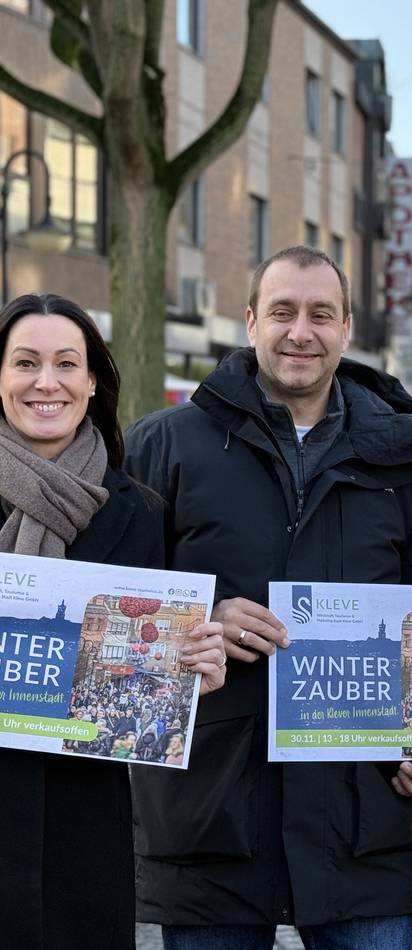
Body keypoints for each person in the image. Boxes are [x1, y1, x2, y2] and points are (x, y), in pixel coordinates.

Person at [125, 246, 412, 950]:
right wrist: (202, 617)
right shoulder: (164, 445)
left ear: (346, 329)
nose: (299, 332)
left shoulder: (402, 458)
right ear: (249, 323)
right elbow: (120, 612)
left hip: (359, 818)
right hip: (209, 816)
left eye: (320, 314)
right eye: (282, 312)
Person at [0, 293, 226, 950]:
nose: (48, 382)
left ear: (93, 379)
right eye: (25, 363)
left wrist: (189, 669)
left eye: (67, 363)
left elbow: (148, 674)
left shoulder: (143, 512)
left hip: (82, 830)